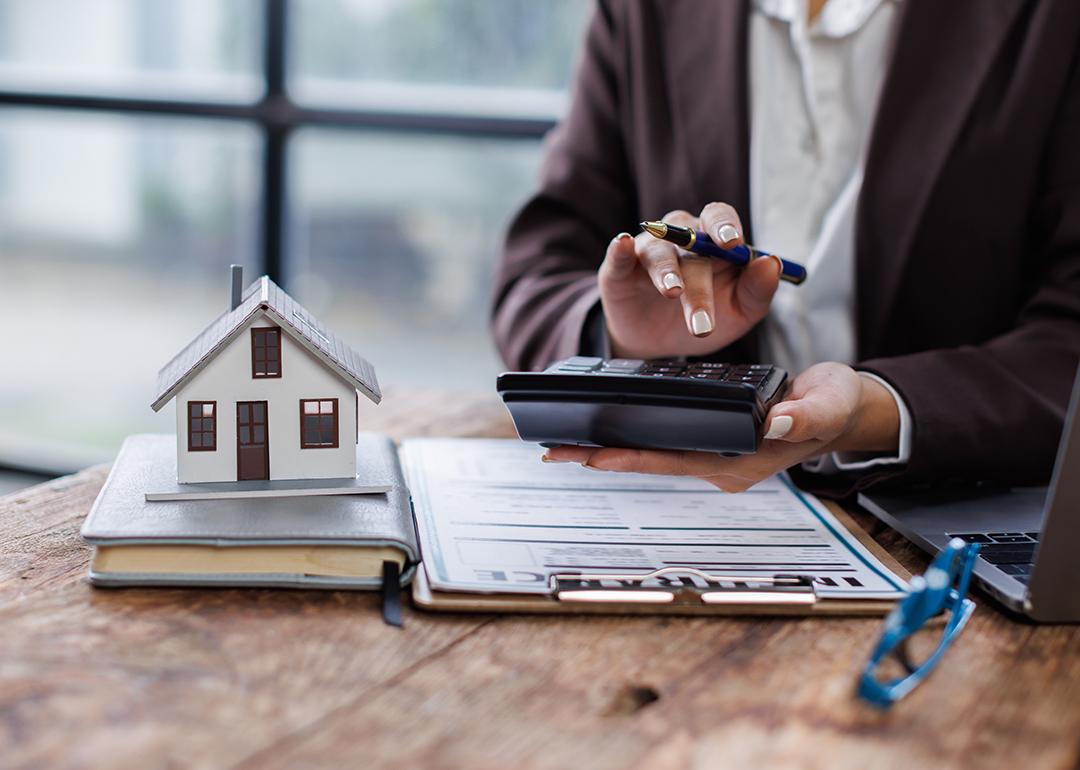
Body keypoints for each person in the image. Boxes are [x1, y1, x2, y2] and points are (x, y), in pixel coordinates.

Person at [490, 0, 1080, 494]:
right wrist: (620, 343)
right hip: (681, 516)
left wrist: (882, 407)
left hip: (959, 521)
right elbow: (535, 274)